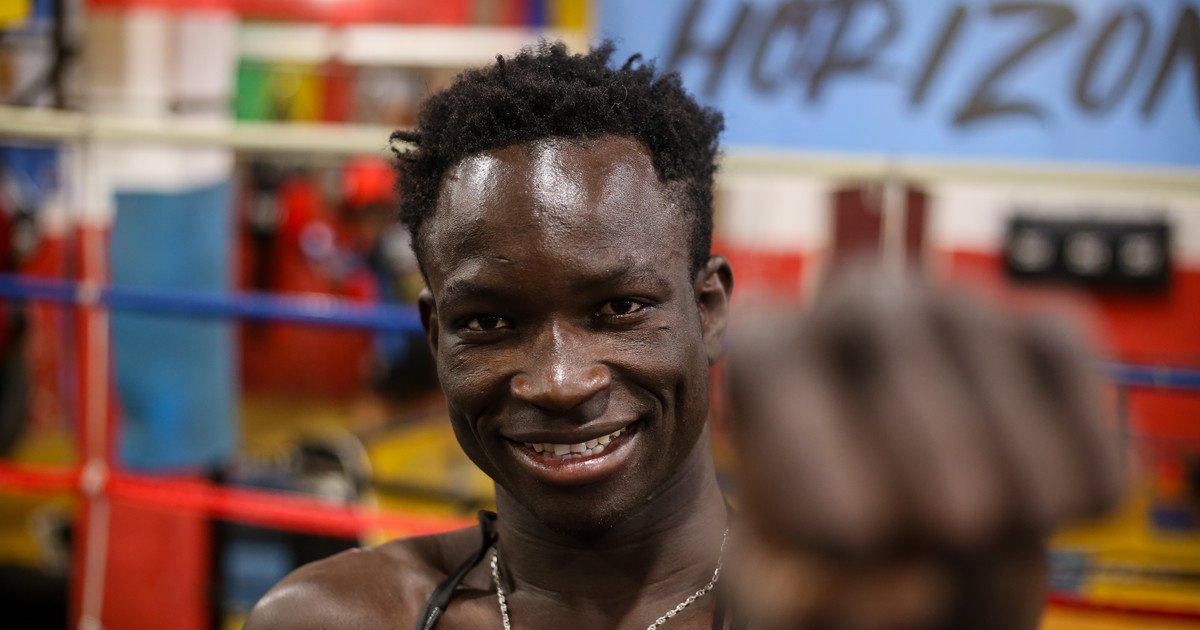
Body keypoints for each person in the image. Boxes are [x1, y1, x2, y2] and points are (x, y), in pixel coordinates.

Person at [245, 41, 1121, 629]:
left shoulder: (838, 612)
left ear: (709, 310)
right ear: (436, 338)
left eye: (618, 309)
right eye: (490, 322)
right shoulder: (338, 618)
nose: (560, 380)